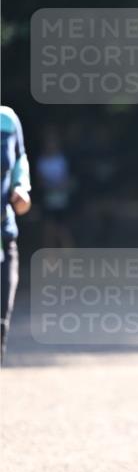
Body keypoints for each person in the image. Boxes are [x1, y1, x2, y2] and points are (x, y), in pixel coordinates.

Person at [1, 105, 32, 362]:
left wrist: (22, 187)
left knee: (2, 322)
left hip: (4, 236)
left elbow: (20, 157)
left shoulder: (8, 119)